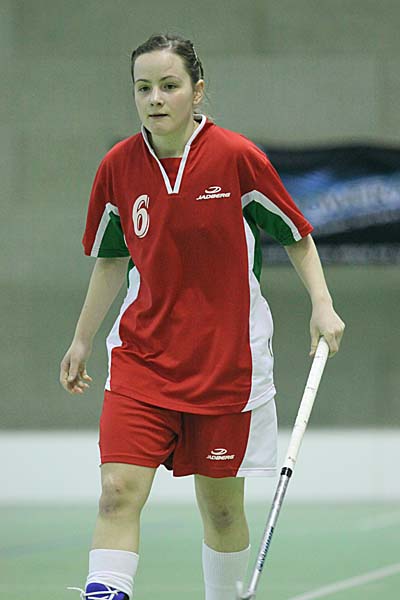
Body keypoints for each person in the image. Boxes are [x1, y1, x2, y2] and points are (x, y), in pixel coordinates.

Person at [60, 33, 345, 600]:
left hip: (226, 366)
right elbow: (111, 259)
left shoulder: (236, 157)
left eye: (169, 86)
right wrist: (82, 339)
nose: (155, 99)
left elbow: (296, 234)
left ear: (197, 91)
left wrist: (322, 303)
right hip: (142, 360)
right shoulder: (118, 167)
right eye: (143, 88)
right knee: (117, 493)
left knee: (221, 511)